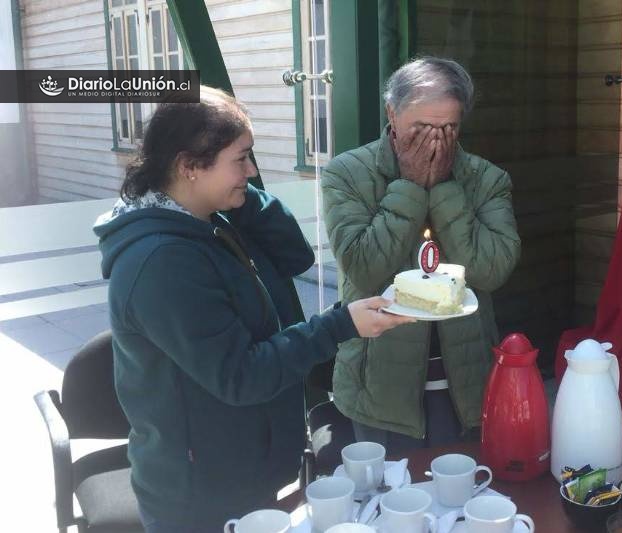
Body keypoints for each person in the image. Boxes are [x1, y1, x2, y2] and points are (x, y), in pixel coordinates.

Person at [93, 86, 412, 532]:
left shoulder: (207, 219)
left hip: (237, 470)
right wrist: (341, 324)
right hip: (199, 497)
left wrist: (236, 194)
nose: (253, 170)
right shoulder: (162, 262)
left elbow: (293, 255)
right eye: (240, 159)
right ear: (189, 166)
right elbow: (241, 374)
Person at [322, 57, 521, 454]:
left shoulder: (486, 179)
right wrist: (410, 185)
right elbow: (363, 267)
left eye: (448, 129)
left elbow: (491, 269)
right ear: (391, 115)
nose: (434, 142)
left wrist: (445, 188)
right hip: (379, 387)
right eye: (421, 129)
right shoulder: (346, 173)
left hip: (465, 381)